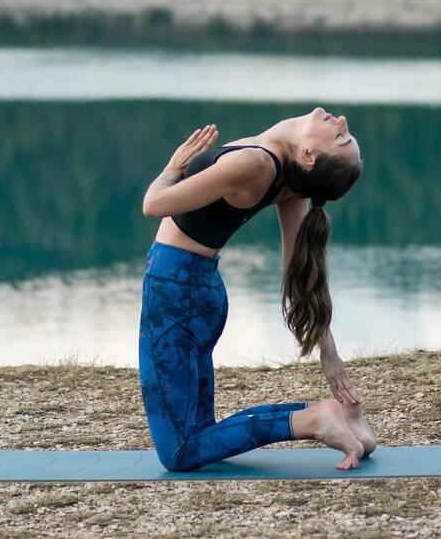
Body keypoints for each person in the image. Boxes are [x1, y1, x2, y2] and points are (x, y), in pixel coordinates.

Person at [137, 107, 375, 471]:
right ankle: (341, 420)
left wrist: (171, 169)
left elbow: (153, 204)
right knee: (198, 433)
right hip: (197, 294)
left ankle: (311, 420)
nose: (341, 122)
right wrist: (329, 354)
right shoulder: (287, 175)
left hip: (174, 296)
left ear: (308, 155)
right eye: (346, 134)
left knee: (179, 453)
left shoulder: (256, 164)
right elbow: (300, 273)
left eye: (341, 138)